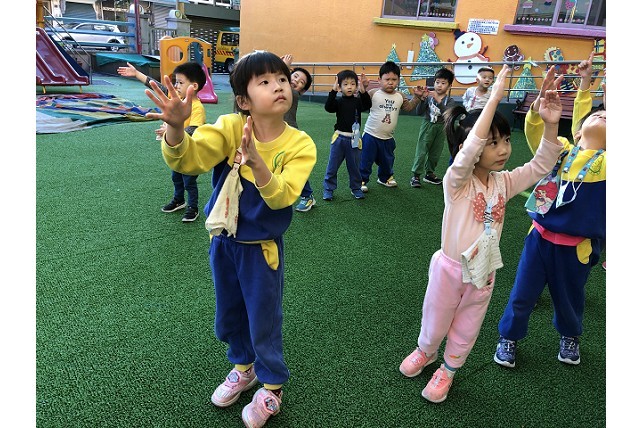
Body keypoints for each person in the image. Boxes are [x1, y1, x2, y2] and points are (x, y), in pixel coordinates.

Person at [144, 51, 316, 427]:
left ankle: (272, 387)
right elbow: (188, 160)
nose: (279, 86)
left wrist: (256, 162)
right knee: (230, 314)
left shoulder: (300, 144)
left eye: (282, 79)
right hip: (223, 243)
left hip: (261, 251)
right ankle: (243, 368)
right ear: (243, 100)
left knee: (263, 319)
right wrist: (176, 130)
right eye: (265, 81)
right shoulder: (229, 127)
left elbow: (283, 197)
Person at [398, 65, 563, 403]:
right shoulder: (456, 183)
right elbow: (468, 152)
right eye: (493, 143)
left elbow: (542, 163)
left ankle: (448, 370)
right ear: (468, 148)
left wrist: (550, 123)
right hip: (449, 270)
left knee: (468, 325)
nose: (503, 149)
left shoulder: (504, 182)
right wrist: (494, 99)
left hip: (483, 271)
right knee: (435, 320)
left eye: (506, 141)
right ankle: (426, 350)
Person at [494, 52, 606, 369]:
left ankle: (570, 336)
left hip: (577, 248)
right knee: (522, 294)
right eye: (598, 115)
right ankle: (509, 337)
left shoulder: (607, 164)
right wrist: (542, 114)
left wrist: (586, 86)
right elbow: (540, 134)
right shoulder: (562, 151)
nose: (603, 117)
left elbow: (585, 117)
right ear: (578, 132)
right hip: (539, 238)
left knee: (570, 299)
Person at [117, 61, 206, 222]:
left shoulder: (197, 107)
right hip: (177, 152)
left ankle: (193, 207)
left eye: (180, 82)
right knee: (176, 177)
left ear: (194, 86)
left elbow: (194, 130)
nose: (176, 86)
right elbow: (158, 87)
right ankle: (179, 200)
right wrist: (137, 74)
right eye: (176, 82)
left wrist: (171, 130)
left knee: (189, 182)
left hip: (191, 154)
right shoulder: (177, 98)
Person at [359, 61, 424, 192]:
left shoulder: (400, 96)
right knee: (366, 159)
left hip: (388, 137)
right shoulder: (373, 93)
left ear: (398, 80)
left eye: (394, 80)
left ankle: (385, 178)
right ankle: (361, 180)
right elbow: (361, 104)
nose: (390, 82)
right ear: (379, 80)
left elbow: (408, 107)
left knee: (387, 160)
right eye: (387, 79)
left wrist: (417, 97)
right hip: (370, 135)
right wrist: (363, 89)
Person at [322, 70, 372, 201]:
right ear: (340, 87)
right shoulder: (338, 102)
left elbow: (368, 105)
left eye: (352, 84)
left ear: (356, 86)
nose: (349, 87)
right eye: (345, 84)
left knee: (354, 167)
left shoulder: (358, 101)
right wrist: (333, 91)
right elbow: (328, 107)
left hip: (354, 138)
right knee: (332, 166)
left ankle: (356, 188)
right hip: (339, 137)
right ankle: (328, 189)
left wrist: (363, 90)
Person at [281, 54, 316, 213]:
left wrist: (284, 67)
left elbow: (285, 87)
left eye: (301, 82)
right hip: (275, 132)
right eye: (295, 76)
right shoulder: (279, 86)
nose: (296, 81)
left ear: (302, 90)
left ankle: (307, 195)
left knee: (291, 167)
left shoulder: (292, 94)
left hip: (289, 135)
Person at [410, 67, 456, 188]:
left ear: (449, 86)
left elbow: (448, 115)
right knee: (421, 151)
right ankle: (416, 175)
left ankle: (429, 174)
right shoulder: (428, 97)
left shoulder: (450, 101)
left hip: (441, 128)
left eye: (443, 83)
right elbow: (419, 112)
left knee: (435, 153)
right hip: (427, 125)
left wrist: (439, 101)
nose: (439, 85)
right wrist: (422, 99)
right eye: (437, 82)